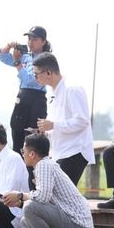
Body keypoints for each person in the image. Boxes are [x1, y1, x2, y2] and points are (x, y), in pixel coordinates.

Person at [3, 134, 94, 228]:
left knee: (29, 207)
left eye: (24, 151)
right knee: (25, 222)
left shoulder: (43, 165)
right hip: (75, 223)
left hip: (76, 223)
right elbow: (45, 201)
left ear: (32, 154)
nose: (23, 154)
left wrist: (20, 195)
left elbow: (42, 197)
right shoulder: (46, 164)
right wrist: (19, 203)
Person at [32, 52, 95, 185]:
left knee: (59, 195)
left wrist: (53, 125)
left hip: (74, 151)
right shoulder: (52, 92)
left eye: (36, 74)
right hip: (59, 152)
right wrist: (45, 130)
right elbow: (56, 123)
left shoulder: (72, 89)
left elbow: (82, 121)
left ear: (48, 73)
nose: (35, 78)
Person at [0, 26, 52, 153]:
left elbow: (29, 79)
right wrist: (10, 45)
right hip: (22, 98)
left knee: (33, 140)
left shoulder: (45, 59)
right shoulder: (26, 57)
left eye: (35, 39)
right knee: (17, 135)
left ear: (43, 41)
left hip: (36, 100)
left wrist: (17, 62)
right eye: (29, 38)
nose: (30, 42)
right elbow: (2, 56)